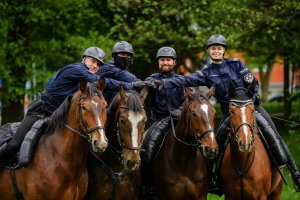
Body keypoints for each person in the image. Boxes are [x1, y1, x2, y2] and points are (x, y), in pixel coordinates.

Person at [153, 34, 300, 192]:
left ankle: (296, 175)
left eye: (219, 48)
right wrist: (162, 82)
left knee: (274, 136)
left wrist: (252, 97)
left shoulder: (236, 64)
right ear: (209, 51)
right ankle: (215, 180)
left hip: (252, 108)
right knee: (216, 144)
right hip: (229, 113)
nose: (216, 51)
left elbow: (252, 82)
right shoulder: (206, 73)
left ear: (224, 51)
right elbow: (184, 81)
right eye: (213, 49)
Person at [0, 46, 151, 163]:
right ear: (84, 59)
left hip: (59, 117)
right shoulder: (77, 69)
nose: (94, 66)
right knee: (14, 145)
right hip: (41, 112)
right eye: (92, 61)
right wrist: (132, 85)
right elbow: (104, 81)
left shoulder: (89, 77)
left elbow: (109, 79)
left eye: (98, 64)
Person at [140, 46, 187, 197]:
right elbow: (143, 98)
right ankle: (148, 186)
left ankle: (209, 181)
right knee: (147, 152)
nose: (165, 62)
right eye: (162, 60)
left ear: (174, 62)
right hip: (159, 122)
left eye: (168, 60)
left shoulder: (181, 80)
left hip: (179, 122)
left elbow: (188, 99)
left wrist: (180, 109)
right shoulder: (151, 79)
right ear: (158, 62)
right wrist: (149, 86)